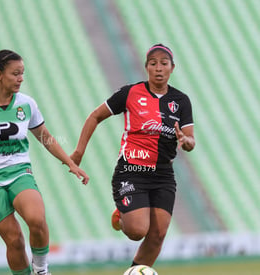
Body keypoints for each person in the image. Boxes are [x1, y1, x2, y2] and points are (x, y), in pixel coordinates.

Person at [0, 49, 89, 275]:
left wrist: (70, 162)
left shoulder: (26, 104)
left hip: (19, 172)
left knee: (36, 219)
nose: (20, 79)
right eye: (15, 74)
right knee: (15, 241)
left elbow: (45, 137)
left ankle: (41, 270)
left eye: (22, 73)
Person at [70, 44, 195, 267]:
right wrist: (79, 151)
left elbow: (190, 140)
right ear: (146, 67)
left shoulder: (181, 101)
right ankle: (122, 214)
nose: (158, 68)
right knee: (138, 231)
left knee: (157, 236)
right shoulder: (130, 93)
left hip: (163, 174)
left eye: (164, 64)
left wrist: (186, 141)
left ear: (172, 68)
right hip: (132, 170)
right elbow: (95, 117)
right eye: (153, 63)